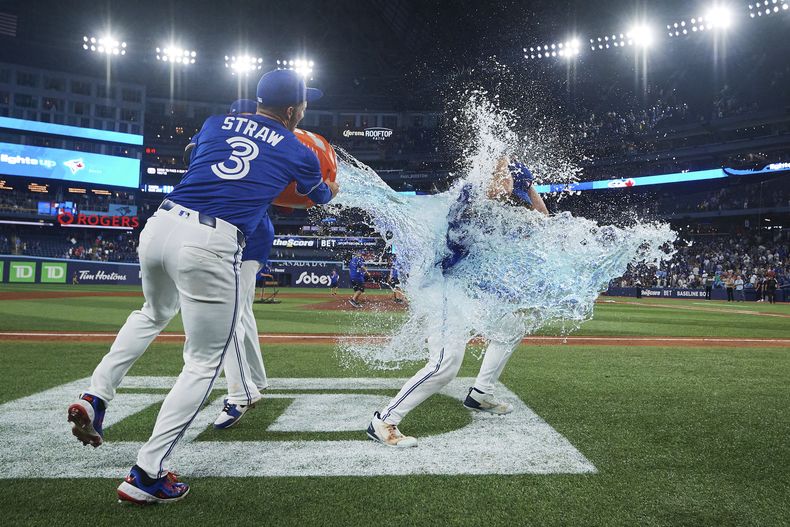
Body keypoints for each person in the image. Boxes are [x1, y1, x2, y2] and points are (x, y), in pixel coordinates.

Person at [66, 69, 338, 504]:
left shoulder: (215, 123)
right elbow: (320, 196)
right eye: (304, 104)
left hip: (161, 224)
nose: (305, 111)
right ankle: (146, 474)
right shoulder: (298, 148)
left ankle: (96, 395)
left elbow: (203, 157)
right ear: (293, 110)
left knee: (151, 313)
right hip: (211, 241)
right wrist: (326, 184)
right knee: (203, 362)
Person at [367, 160, 549, 447]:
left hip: (466, 285)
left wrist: (528, 185)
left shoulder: (505, 202)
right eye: (512, 196)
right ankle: (384, 420)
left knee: (511, 325)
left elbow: (542, 216)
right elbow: (494, 181)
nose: (514, 204)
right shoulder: (473, 193)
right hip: (443, 281)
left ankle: (481, 394)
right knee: (445, 363)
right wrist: (506, 173)